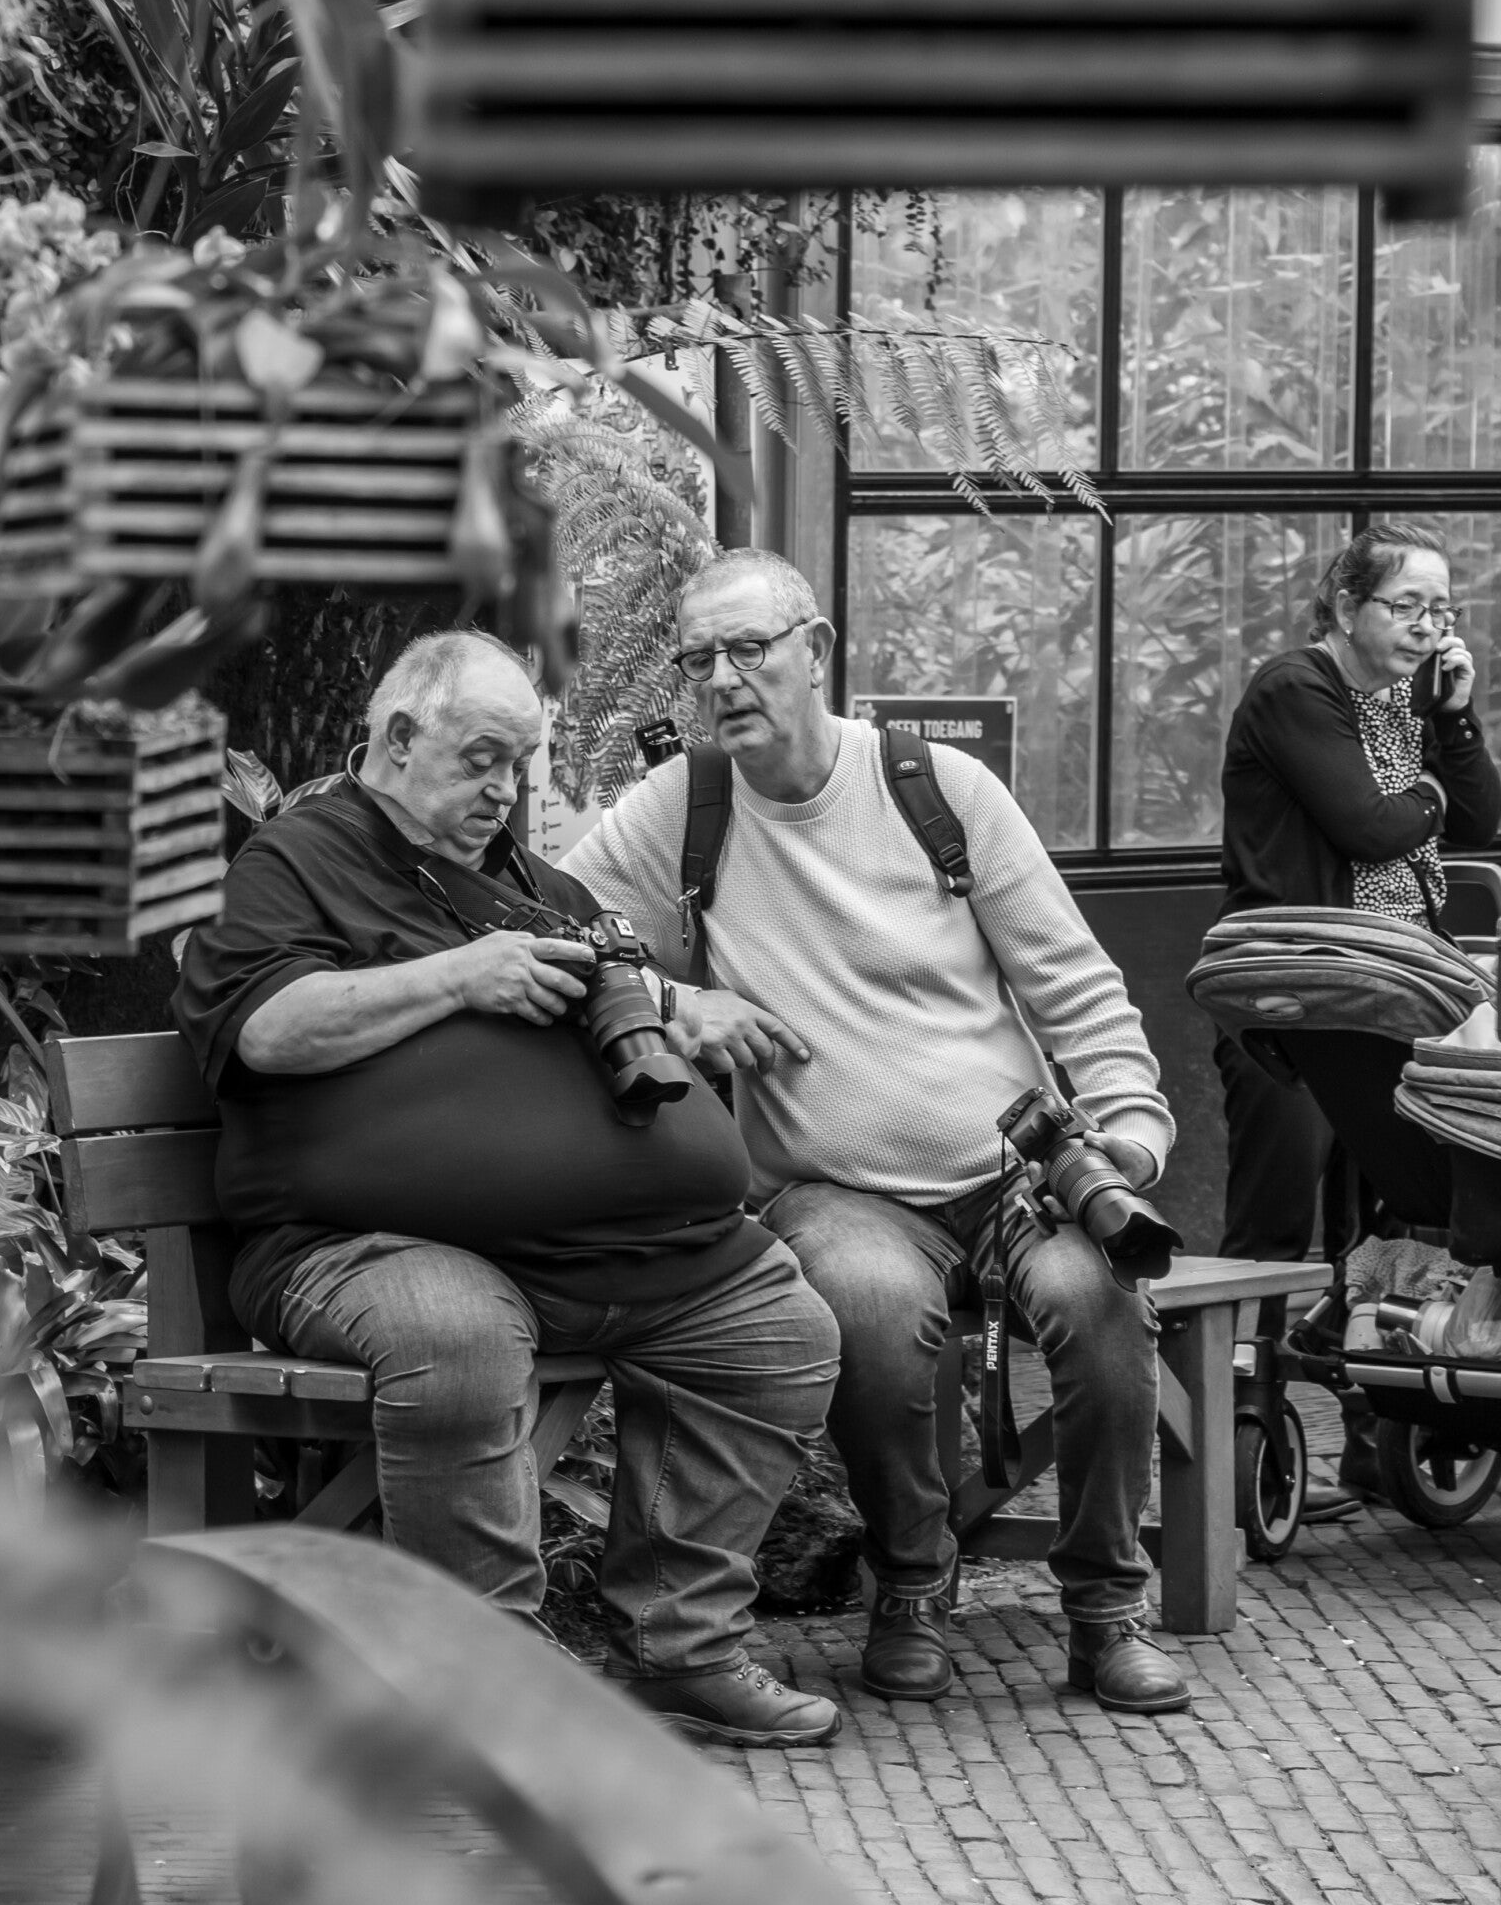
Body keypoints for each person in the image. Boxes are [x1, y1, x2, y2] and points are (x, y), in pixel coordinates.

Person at [171, 629, 843, 1747]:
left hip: (604, 1255)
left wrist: (666, 1009)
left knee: (778, 1333)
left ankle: (680, 1648)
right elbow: (269, 1030)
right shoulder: (297, 862)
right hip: (360, 1246)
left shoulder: (536, 885)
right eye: (481, 759)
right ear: (398, 738)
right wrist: (459, 977)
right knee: (458, 1337)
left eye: (519, 765)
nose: (505, 791)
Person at [562, 549, 1187, 1715]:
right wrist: (676, 1002)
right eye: (699, 659)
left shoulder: (936, 789)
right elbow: (548, 928)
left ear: (816, 652)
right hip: (831, 1188)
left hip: (1013, 1172)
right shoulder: (684, 808)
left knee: (1100, 1299)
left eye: (750, 649)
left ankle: (1108, 1608)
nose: (723, 679)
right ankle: (911, 1582)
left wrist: (1131, 1141)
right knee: (864, 1301)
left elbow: (1076, 988)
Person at [1212, 526, 1501, 1487]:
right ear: (1345, 606)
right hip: (1299, 992)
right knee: (1273, 1219)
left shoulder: (1406, 703)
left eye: (1442, 609)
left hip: (1396, 996)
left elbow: (1480, 819)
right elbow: (1372, 828)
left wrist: (1455, 721)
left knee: (1395, 1218)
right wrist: (1425, 795)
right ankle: (1240, 1418)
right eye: (1408, 606)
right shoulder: (1296, 689)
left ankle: (1381, 1436)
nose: (1430, 627)